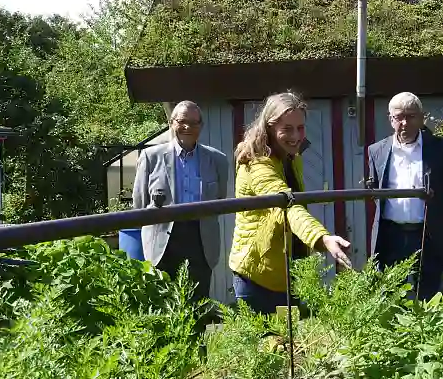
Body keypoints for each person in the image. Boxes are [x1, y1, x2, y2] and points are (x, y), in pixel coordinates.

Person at [229, 92, 352, 315]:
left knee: (288, 344)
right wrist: (321, 238)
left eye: (301, 127)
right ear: (269, 127)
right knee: (266, 346)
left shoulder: (291, 157)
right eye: (287, 128)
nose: (296, 136)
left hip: (287, 269)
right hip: (258, 274)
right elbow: (287, 206)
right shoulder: (257, 164)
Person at [133, 100, 229, 318]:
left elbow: (220, 198)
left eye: (195, 123)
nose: (188, 127)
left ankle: (198, 351)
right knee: (163, 307)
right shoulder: (151, 157)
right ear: (171, 123)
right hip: (163, 241)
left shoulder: (217, 160)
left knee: (198, 308)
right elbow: (139, 203)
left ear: (201, 126)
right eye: (182, 121)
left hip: (201, 240)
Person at [367, 91, 443, 300]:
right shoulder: (377, 151)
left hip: (427, 233)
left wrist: (437, 218)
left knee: (428, 296)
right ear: (391, 120)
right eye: (399, 117)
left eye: (411, 116)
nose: (405, 123)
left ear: (421, 118)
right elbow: (374, 188)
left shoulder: (442, 150)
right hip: (391, 234)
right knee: (392, 296)